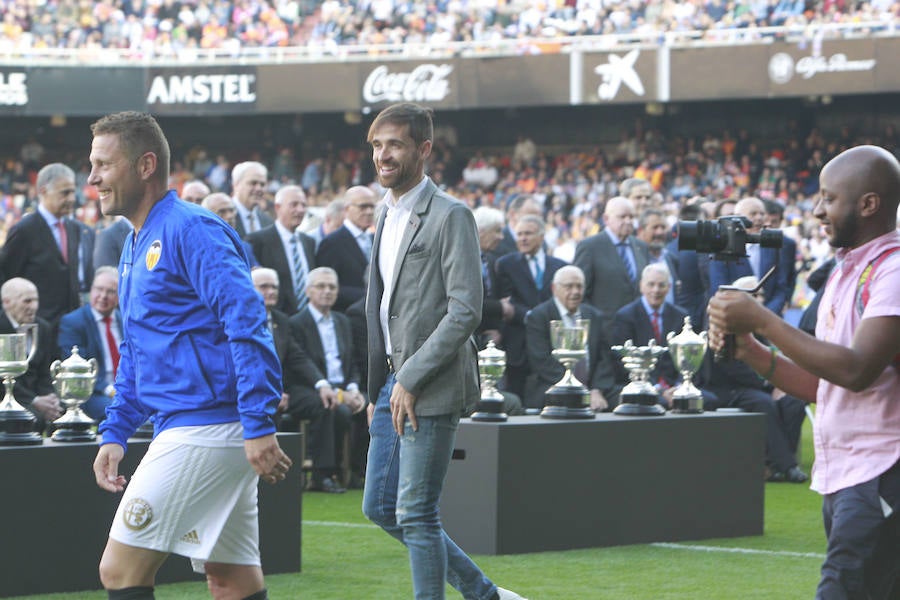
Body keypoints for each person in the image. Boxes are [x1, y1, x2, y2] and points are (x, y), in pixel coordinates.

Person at [87, 111, 290, 600]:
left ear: (145, 165)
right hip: (197, 423)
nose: (92, 178)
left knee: (119, 570)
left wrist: (258, 422)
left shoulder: (191, 229)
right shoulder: (135, 243)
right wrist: (115, 430)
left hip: (208, 426)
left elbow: (247, 319)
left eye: (102, 164)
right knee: (230, 578)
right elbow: (138, 351)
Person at [708, 145, 900, 599]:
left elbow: (856, 371)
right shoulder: (847, 269)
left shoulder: (892, 269)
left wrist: (762, 320)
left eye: (828, 198)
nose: (816, 211)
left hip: (882, 469)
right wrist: (750, 350)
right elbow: (823, 386)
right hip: (850, 475)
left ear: (868, 204)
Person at [362, 103, 526, 600]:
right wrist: (382, 386)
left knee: (415, 511)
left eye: (394, 144)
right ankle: (484, 594)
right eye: (375, 145)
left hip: (429, 382)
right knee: (380, 507)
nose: (383, 155)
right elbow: (382, 306)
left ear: (423, 150)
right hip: (393, 382)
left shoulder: (452, 214)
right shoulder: (383, 214)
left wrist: (410, 377)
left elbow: (465, 310)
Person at [287, 267, 366, 491]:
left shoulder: (342, 321)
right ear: (308, 291)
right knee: (330, 406)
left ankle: (358, 471)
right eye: (321, 286)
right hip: (309, 388)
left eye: (332, 287)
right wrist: (328, 388)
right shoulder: (295, 323)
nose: (327, 291)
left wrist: (353, 389)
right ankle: (322, 474)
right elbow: (300, 363)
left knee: (370, 405)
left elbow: (351, 362)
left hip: (342, 386)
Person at [610, 263, 717, 410]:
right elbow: (621, 361)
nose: (656, 290)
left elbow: (688, 358)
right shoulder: (626, 316)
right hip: (641, 385)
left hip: (675, 385)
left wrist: (680, 387)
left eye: (661, 285)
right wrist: (658, 390)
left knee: (710, 400)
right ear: (642, 286)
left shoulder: (681, 316)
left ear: (669, 287)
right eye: (651, 284)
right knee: (658, 402)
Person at [0, 162, 86, 336]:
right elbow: (7, 278)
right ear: (43, 191)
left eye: (73, 191)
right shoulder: (24, 230)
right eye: (65, 193)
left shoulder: (74, 228)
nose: (71, 198)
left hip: (70, 330)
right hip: (36, 333)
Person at [524, 265, 620, 411]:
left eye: (579, 287)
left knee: (629, 398)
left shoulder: (594, 316)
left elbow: (604, 359)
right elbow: (541, 361)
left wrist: (596, 390)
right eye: (569, 286)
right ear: (554, 288)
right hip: (553, 384)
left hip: (593, 387)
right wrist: (577, 389)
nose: (575, 292)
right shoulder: (539, 316)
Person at [494, 214, 567, 400]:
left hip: (551, 345)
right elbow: (506, 301)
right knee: (516, 397)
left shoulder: (560, 267)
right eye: (519, 234)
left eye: (528, 233)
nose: (523, 238)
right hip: (518, 345)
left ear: (542, 237)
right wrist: (533, 316)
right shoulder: (505, 264)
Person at [573, 196, 650, 333]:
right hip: (604, 330)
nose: (628, 221)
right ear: (606, 219)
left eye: (631, 217)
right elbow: (580, 293)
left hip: (638, 330)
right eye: (622, 217)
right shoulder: (590, 247)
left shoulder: (641, 246)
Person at [57, 266, 122, 422]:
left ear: (120, 295)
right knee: (119, 413)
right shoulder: (73, 323)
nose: (103, 296)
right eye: (99, 289)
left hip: (127, 390)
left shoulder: (125, 320)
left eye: (111, 291)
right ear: (91, 290)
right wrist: (111, 390)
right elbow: (80, 369)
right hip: (93, 393)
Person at [708, 197, 792, 315]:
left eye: (762, 214)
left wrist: (764, 315)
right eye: (753, 213)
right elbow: (719, 288)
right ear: (737, 217)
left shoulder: (774, 246)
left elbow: (781, 287)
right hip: (736, 320)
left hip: (769, 321)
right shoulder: (722, 249)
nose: (758, 218)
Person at [0, 277, 62, 429]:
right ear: (6, 302)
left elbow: (44, 373)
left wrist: (50, 400)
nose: (33, 306)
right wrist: (34, 401)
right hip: (6, 398)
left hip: (35, 396)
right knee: (33, 418)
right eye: (27, 301)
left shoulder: (43, 328)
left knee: (64, 414)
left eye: (35, 300)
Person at [246, 185, 316, 316]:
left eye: (303, 205)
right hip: (275, 320)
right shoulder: (258, 240)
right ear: (278, 207)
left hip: (305, 322)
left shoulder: (309, 242)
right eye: (294, 205)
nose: (300, 210)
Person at [316, 185, 377, 312]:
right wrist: (369, 295)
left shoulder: (376, 239)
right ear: (347, 209)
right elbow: (326, 286)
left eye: (372, 207)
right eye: (363, 207)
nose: (369, 211)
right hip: (347, 317)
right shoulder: (332, 242)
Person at [201, 192, 259, 268]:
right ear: (207, 216)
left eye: (231, 210)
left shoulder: (245, 247)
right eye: (222, 212)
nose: (230, 216)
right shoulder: (200, 249)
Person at [230, 161, 274, 238]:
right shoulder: (222, 217)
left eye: (262, 184)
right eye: (253, 183)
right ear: (236, 185)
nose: (259, 188)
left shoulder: (268, 222)